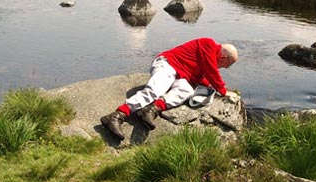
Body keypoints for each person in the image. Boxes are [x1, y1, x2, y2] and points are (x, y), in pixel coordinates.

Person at [100, 37, 238, 140]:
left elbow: (201, 77)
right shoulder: (208, 44)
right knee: (155, 90)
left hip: (179, 75)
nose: (226, 68)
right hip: (168, 64)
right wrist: (224, 91)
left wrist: (210, 86)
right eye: (228, 64)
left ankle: (151, 110)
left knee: (187, 91)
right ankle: (117, 116)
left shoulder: (207, 57)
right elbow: (211, 71)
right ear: (223, 57)